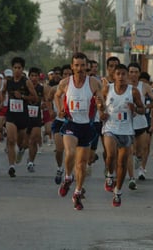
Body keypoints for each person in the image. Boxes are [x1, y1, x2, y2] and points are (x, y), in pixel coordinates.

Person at [54, 52, 103, 210]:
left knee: (82, 164)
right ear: (72, 67)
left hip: (87, 126)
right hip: (71, 123)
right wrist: (61, 108)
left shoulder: (94, 83)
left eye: (82, 65)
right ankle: (68, 177)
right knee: (70, 153)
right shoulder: (65, 83)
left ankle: (77, 192)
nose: (80, 68)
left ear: (87, 66)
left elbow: (101, 100)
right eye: (77, 65)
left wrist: (100, 105)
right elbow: (57, 95)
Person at [101, 64, 146, 206]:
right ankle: (109, 175)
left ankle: (118, 191)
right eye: (118, 74)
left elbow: (143, 110)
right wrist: (100, 112)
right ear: (114, 76)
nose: (121, 77)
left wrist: (136, 109)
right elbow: (100, 105)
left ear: (127, 76)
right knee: (110, 155)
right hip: (110, 127)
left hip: (126, 130)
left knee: (122, 163)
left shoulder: (133, 92)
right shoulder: (107, 89)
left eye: (123, 74)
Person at [4, 57, 38, 178]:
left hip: (23, 115)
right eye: (15, 68)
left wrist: (22, 96)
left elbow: (35, 98)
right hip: (11, 115)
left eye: (19, 68)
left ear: (23, 69)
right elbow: (2, 94)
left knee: (21, 143)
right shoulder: (8, 82)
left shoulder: (26, 82)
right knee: (11, 139)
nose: (17, 70)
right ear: (12, 69)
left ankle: (22, 150)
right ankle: (11, 166)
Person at [127, 63, 153, 182]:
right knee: (129, 150)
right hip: (127, 123)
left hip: (141, 122)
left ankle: (139, 163)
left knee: (140, 151)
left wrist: (146, 107)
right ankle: (131, 177)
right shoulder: (124, 86)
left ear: (139, 74)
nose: (133, 74)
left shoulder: (144, 86)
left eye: (136, 72)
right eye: (131, 72)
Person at [24, 67, 51, 172]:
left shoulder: (41, 88)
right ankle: (22, 150)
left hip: (36, 117)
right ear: (29, 77)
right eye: (32, 76)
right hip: (24, 117)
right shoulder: (25, 87)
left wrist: (46, 106)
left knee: (34, 140)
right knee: (25, 143)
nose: (34, 78)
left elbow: (46, 100)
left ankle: (31, 161)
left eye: (36, 76)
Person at [49, 66, 72, 184]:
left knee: (70, 150)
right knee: (59, 149)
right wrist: (51, 111)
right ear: (61, 76)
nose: (67, 77)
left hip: (72, 122)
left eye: (69, 74)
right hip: (59, 121)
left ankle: (69, 172)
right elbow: (48, 99)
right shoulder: (55, 89)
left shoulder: (76, 88)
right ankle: (59, 168)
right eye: (65, 74)